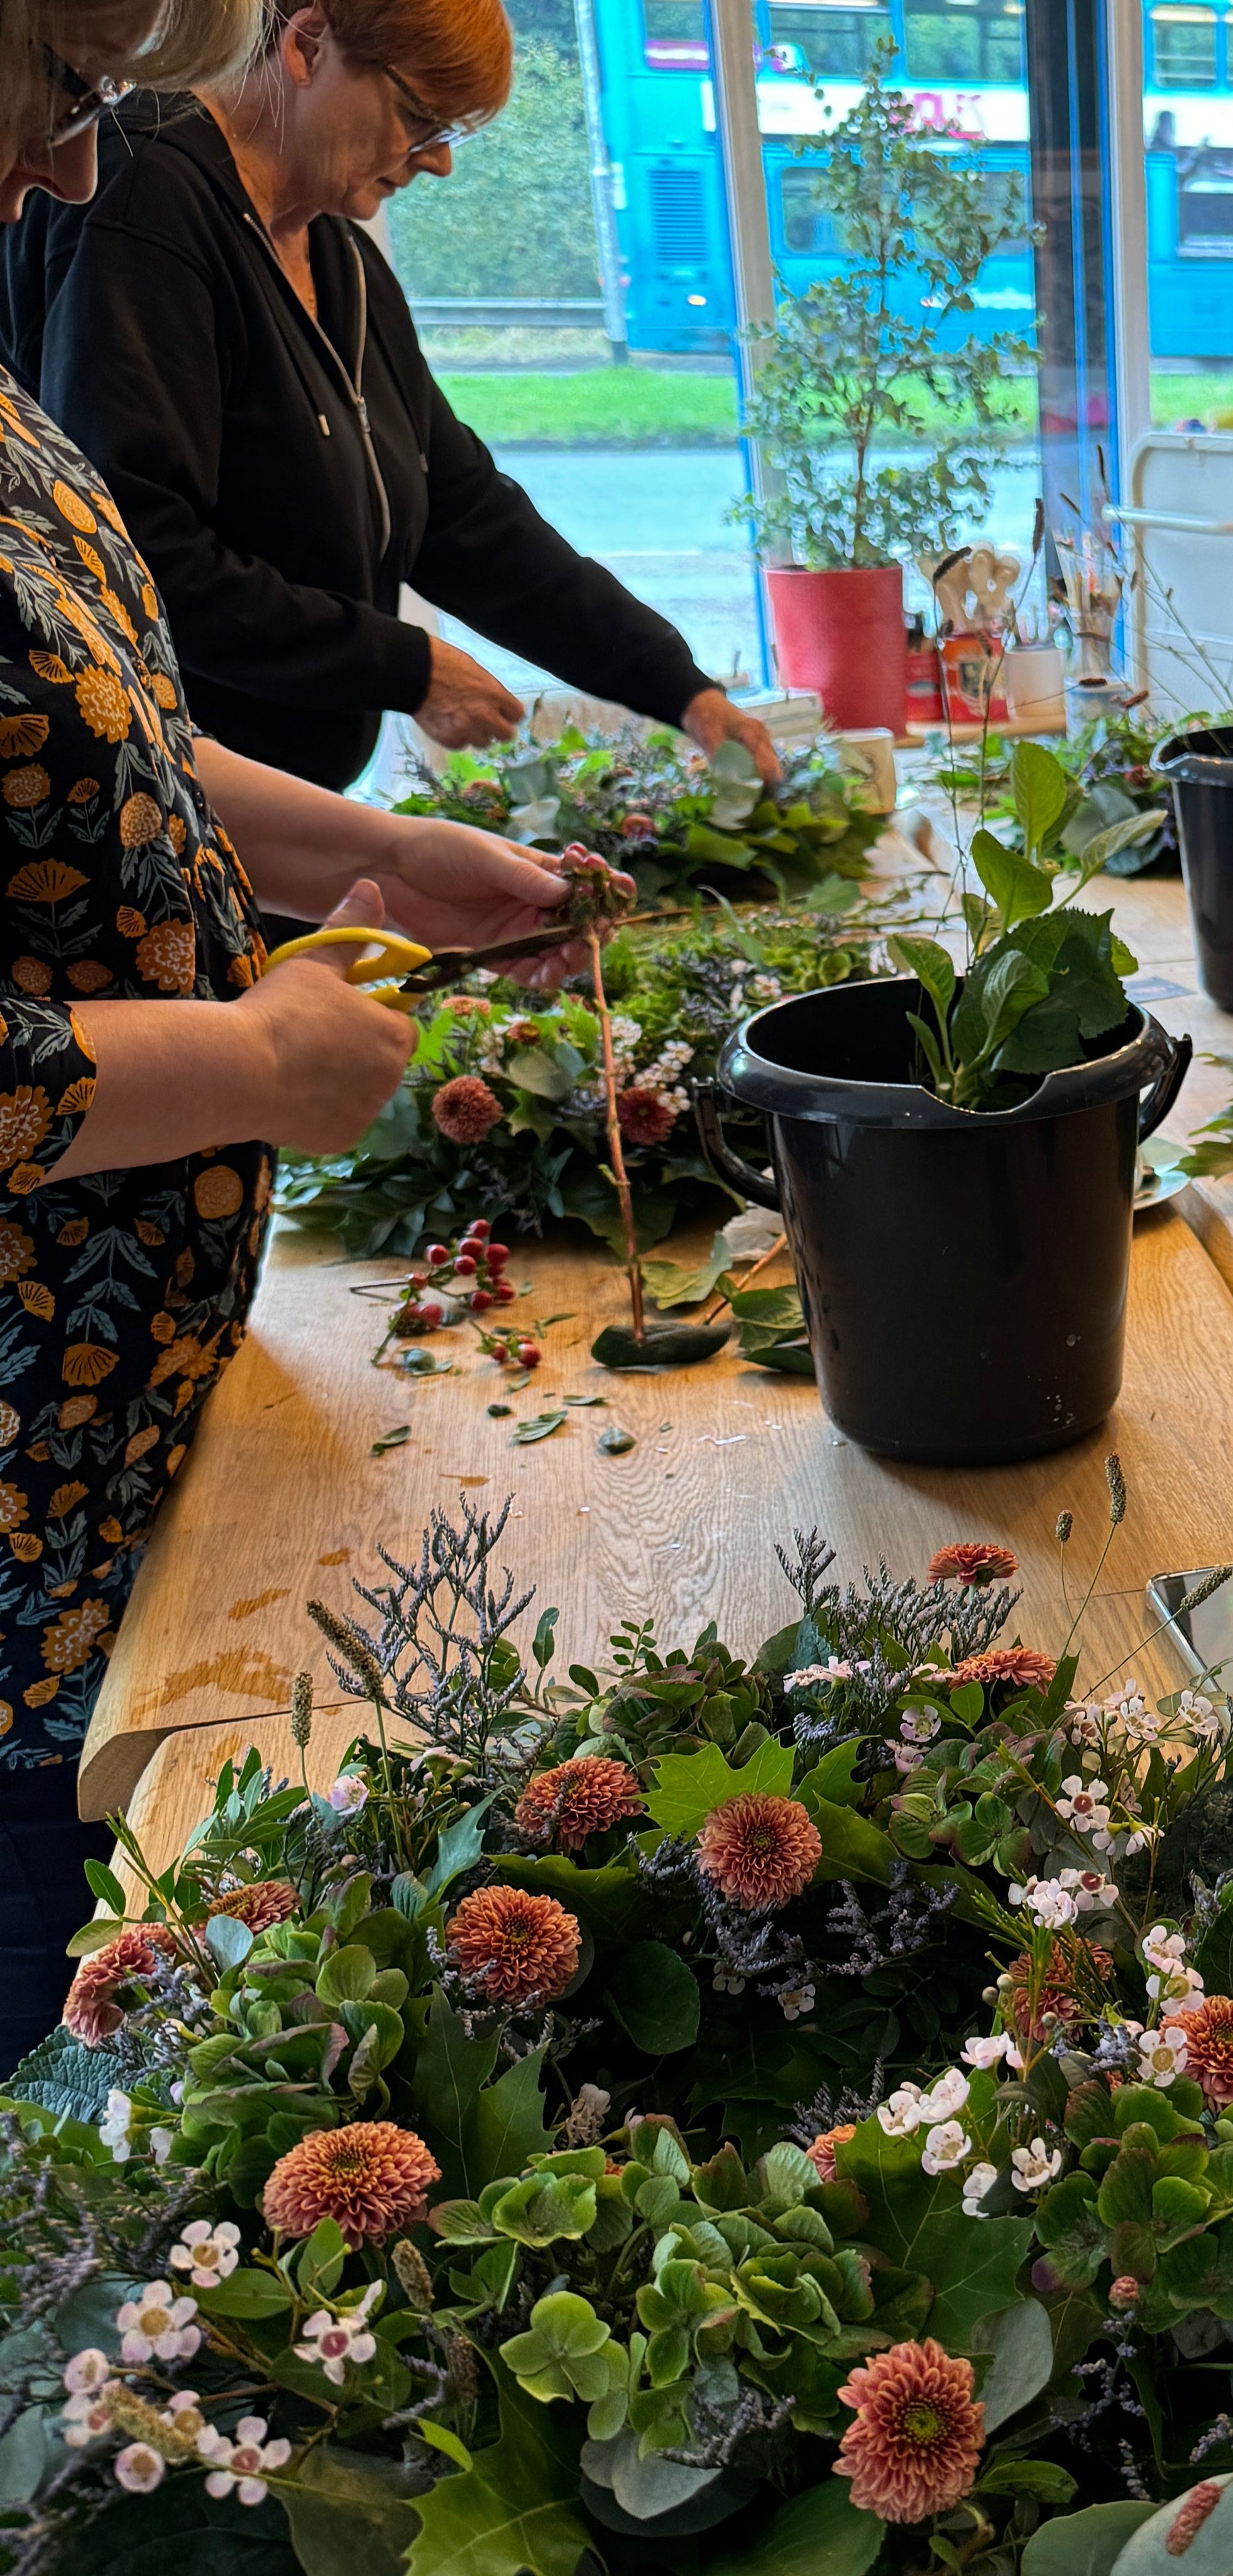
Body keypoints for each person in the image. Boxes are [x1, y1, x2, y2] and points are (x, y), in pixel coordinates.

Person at [0, 0, 598, 2066]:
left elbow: (116, 743)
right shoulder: (135, 236)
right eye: (64, 93)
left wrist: (381, 852)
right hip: (20, 1541)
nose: (79, 168)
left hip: (127, 1431)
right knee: (86, 2082)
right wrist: (255, 1064)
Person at [0, 0, 781, 798]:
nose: (437, 161)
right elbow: (139, 552)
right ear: (308, 46)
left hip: (290, 809)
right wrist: (405, 666)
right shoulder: (145, 202)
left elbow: (462, 515)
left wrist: (677, 686)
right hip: (166, 798)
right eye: (421, 119)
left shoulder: (337, 255)